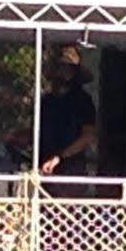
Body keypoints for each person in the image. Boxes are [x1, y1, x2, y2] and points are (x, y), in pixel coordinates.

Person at [35, 42, 98, 176]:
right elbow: (39, 131)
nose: (60, 74)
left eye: (65, 69)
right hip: (43, 166)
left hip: (71, 169)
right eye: (58, 69)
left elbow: (87, 136)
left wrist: (60, 157)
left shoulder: (82, 101)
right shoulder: (46, 101)